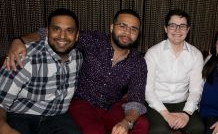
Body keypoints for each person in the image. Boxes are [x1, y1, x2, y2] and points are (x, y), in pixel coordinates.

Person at [3, 9, 148, 134]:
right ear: (111, 27)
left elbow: (136, 98)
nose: (127, 32)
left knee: (141, 124)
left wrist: (127, 122)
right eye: (122, 26)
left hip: (111, 106)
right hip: (82, 103)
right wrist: (19, 41)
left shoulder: (138, 62)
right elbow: (54, 34)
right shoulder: (93, 41)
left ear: (138, 34)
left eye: (133, 29)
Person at [0, 8, 83, 134]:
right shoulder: (23, 57)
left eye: (69, 31)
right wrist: (5, 129)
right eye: (56, 29)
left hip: (57, 118)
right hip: (20, 115)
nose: (62, 36)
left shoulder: (78, 57)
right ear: (47, 32)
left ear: (77, 35)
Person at [145, 9, 205, 134]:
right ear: (165, 29)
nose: (177, 30)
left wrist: (186, 113)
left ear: (188, 29)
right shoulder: (153, 53)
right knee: (158, 130)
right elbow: (148, 90)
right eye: (173, 26)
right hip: (157, 103)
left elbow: (195, 90)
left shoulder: (196, 55)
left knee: (198, 128)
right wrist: (166, 114)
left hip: (182, 103)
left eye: (182, 26)